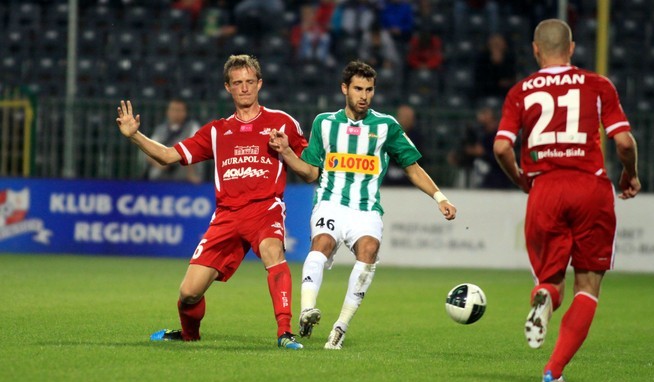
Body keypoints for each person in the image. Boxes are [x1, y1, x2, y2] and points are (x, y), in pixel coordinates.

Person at [115, 55, 309, 350]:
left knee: (273, 250)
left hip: (264, 209)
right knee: (189, 292)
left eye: (249, 82)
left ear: (260, 84)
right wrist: (135, 136)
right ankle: (189, 335)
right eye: (237, 83)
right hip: (227, 216)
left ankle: (285, 333)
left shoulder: (282, 123)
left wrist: (288, 153)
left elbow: (310, 172)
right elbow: (168, 156)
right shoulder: (217, 131)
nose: (244, 88)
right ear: (228, 88)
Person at [493, 19, 641, 382]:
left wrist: (522, 180)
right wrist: (631, 174)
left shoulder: (520, 91)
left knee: (551, 278)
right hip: (589, 186)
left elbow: (500, 147)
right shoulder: (597, 85)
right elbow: (623, 142)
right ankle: (552, 372)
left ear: (535, 49)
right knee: (588, 287)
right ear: (572, 48)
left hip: (545, 188)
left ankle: (544, 295)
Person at [268, 60, 457, 350]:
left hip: (366, 209)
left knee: (369, 251)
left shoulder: (386, 126)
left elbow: (411, 166)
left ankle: (340, 327)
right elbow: (310, 173)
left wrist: (439, 197)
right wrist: (288, 152)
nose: (364, 96)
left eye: (369, 89)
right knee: (322, 244)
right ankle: (307, 310)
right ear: (345, 89)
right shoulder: (324, 123)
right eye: (358, 88)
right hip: (330, 203)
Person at [144, 98, 202, 183]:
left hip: (185, 179)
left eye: (179, 110)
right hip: (159, 178)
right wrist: (160, 163)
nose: (176, 113)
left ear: (185, 113)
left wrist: (192, 175)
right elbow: (148, 151)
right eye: (173, 109)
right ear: (167, 111)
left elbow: (193, 150)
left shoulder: (192, 127)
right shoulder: (160, 129)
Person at [383, 104, 423, 185]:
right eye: (403, 116)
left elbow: (417, 159)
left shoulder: (418, 137)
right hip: (388, 173)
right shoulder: (387, 133)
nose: (406, 119)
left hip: (409, 174)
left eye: (409, 117)